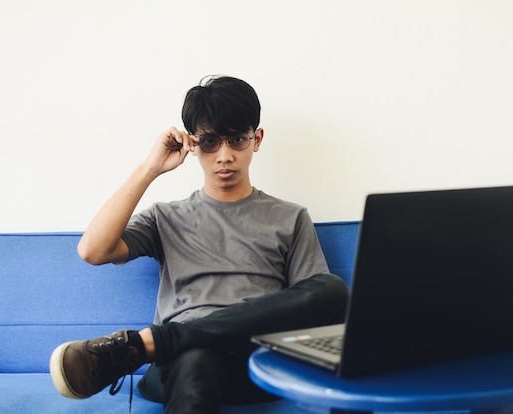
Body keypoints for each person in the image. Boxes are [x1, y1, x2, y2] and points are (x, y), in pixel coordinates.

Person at [49, 75, 349, 414]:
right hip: (182, 365)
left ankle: (147, 344)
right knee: (197, 355)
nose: (224, 156)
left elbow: (316, 308)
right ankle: (167, 342)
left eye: (237, 139)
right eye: (209, 142)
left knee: (333, 288)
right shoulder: (167, 217)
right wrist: (150, 167)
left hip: (255, 365)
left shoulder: (290, 217)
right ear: (192, 144)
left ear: (257, 139)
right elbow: (92, 250)